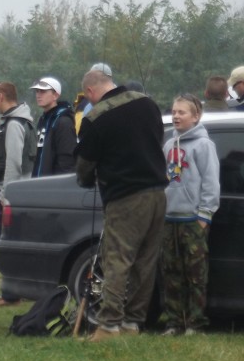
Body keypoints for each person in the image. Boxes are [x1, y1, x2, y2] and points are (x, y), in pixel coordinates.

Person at [75, 68, 168, 342]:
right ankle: (132, 323)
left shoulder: (96, 118)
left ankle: (109, 326)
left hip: (125, 197)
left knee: (117, 259)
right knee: (145, 262)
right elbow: (156, 140)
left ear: (90, 91)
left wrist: (85, 180)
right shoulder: (147, 103)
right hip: (158, 194)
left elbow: (85, 165)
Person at [161, 94, 220, 335]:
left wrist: (204, 216)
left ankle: (196, 323)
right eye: (174, 111)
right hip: (169, 219)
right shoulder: (168, 145)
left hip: (193, 220)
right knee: (171, 273)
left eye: (182, 112)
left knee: (196, 275)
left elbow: (211, 182)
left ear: (195, 117)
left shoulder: (204, 145)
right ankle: (174, 322)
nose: (176, 116)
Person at [0, 81, 33, 308]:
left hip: (10, 194)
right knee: (17, 245)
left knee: (7, 246)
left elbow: (13, 163)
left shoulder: (14, 124)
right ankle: (22, 290)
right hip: (20, 193)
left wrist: (6, 196)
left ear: (1, 96)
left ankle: (10, 295)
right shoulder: (23, 121)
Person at [29, 76, 77, 177]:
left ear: (55, 95)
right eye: (37, 91)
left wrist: (60, 183)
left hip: (54, 182)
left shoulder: (63, 121)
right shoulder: (43, 119)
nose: (38, 95)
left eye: (43, 91)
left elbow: (67, 159)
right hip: (39, 181)